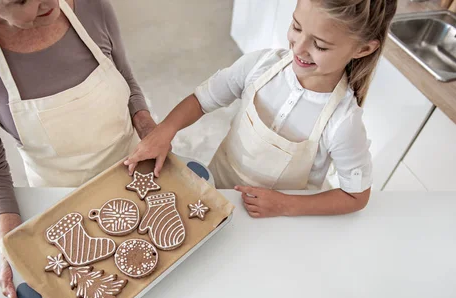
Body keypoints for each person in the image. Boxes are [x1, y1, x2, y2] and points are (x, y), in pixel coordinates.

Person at [0, 0, 156, 298]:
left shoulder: (91, 5)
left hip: (136, 171)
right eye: (23, 0)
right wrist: (11, 246)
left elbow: (127, 81)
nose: (51, 2)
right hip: (62, 206)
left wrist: (152, 132)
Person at [126, 0, 397, 218]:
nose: (298, 48)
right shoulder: (260, 65)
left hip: (273, 220)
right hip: (215, 187)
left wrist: (285, 205)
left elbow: (355, 196)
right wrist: (166, 130)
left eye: (320, 45)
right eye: (296, 26)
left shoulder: (343, 123)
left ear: (363, 48)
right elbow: (201, 100)